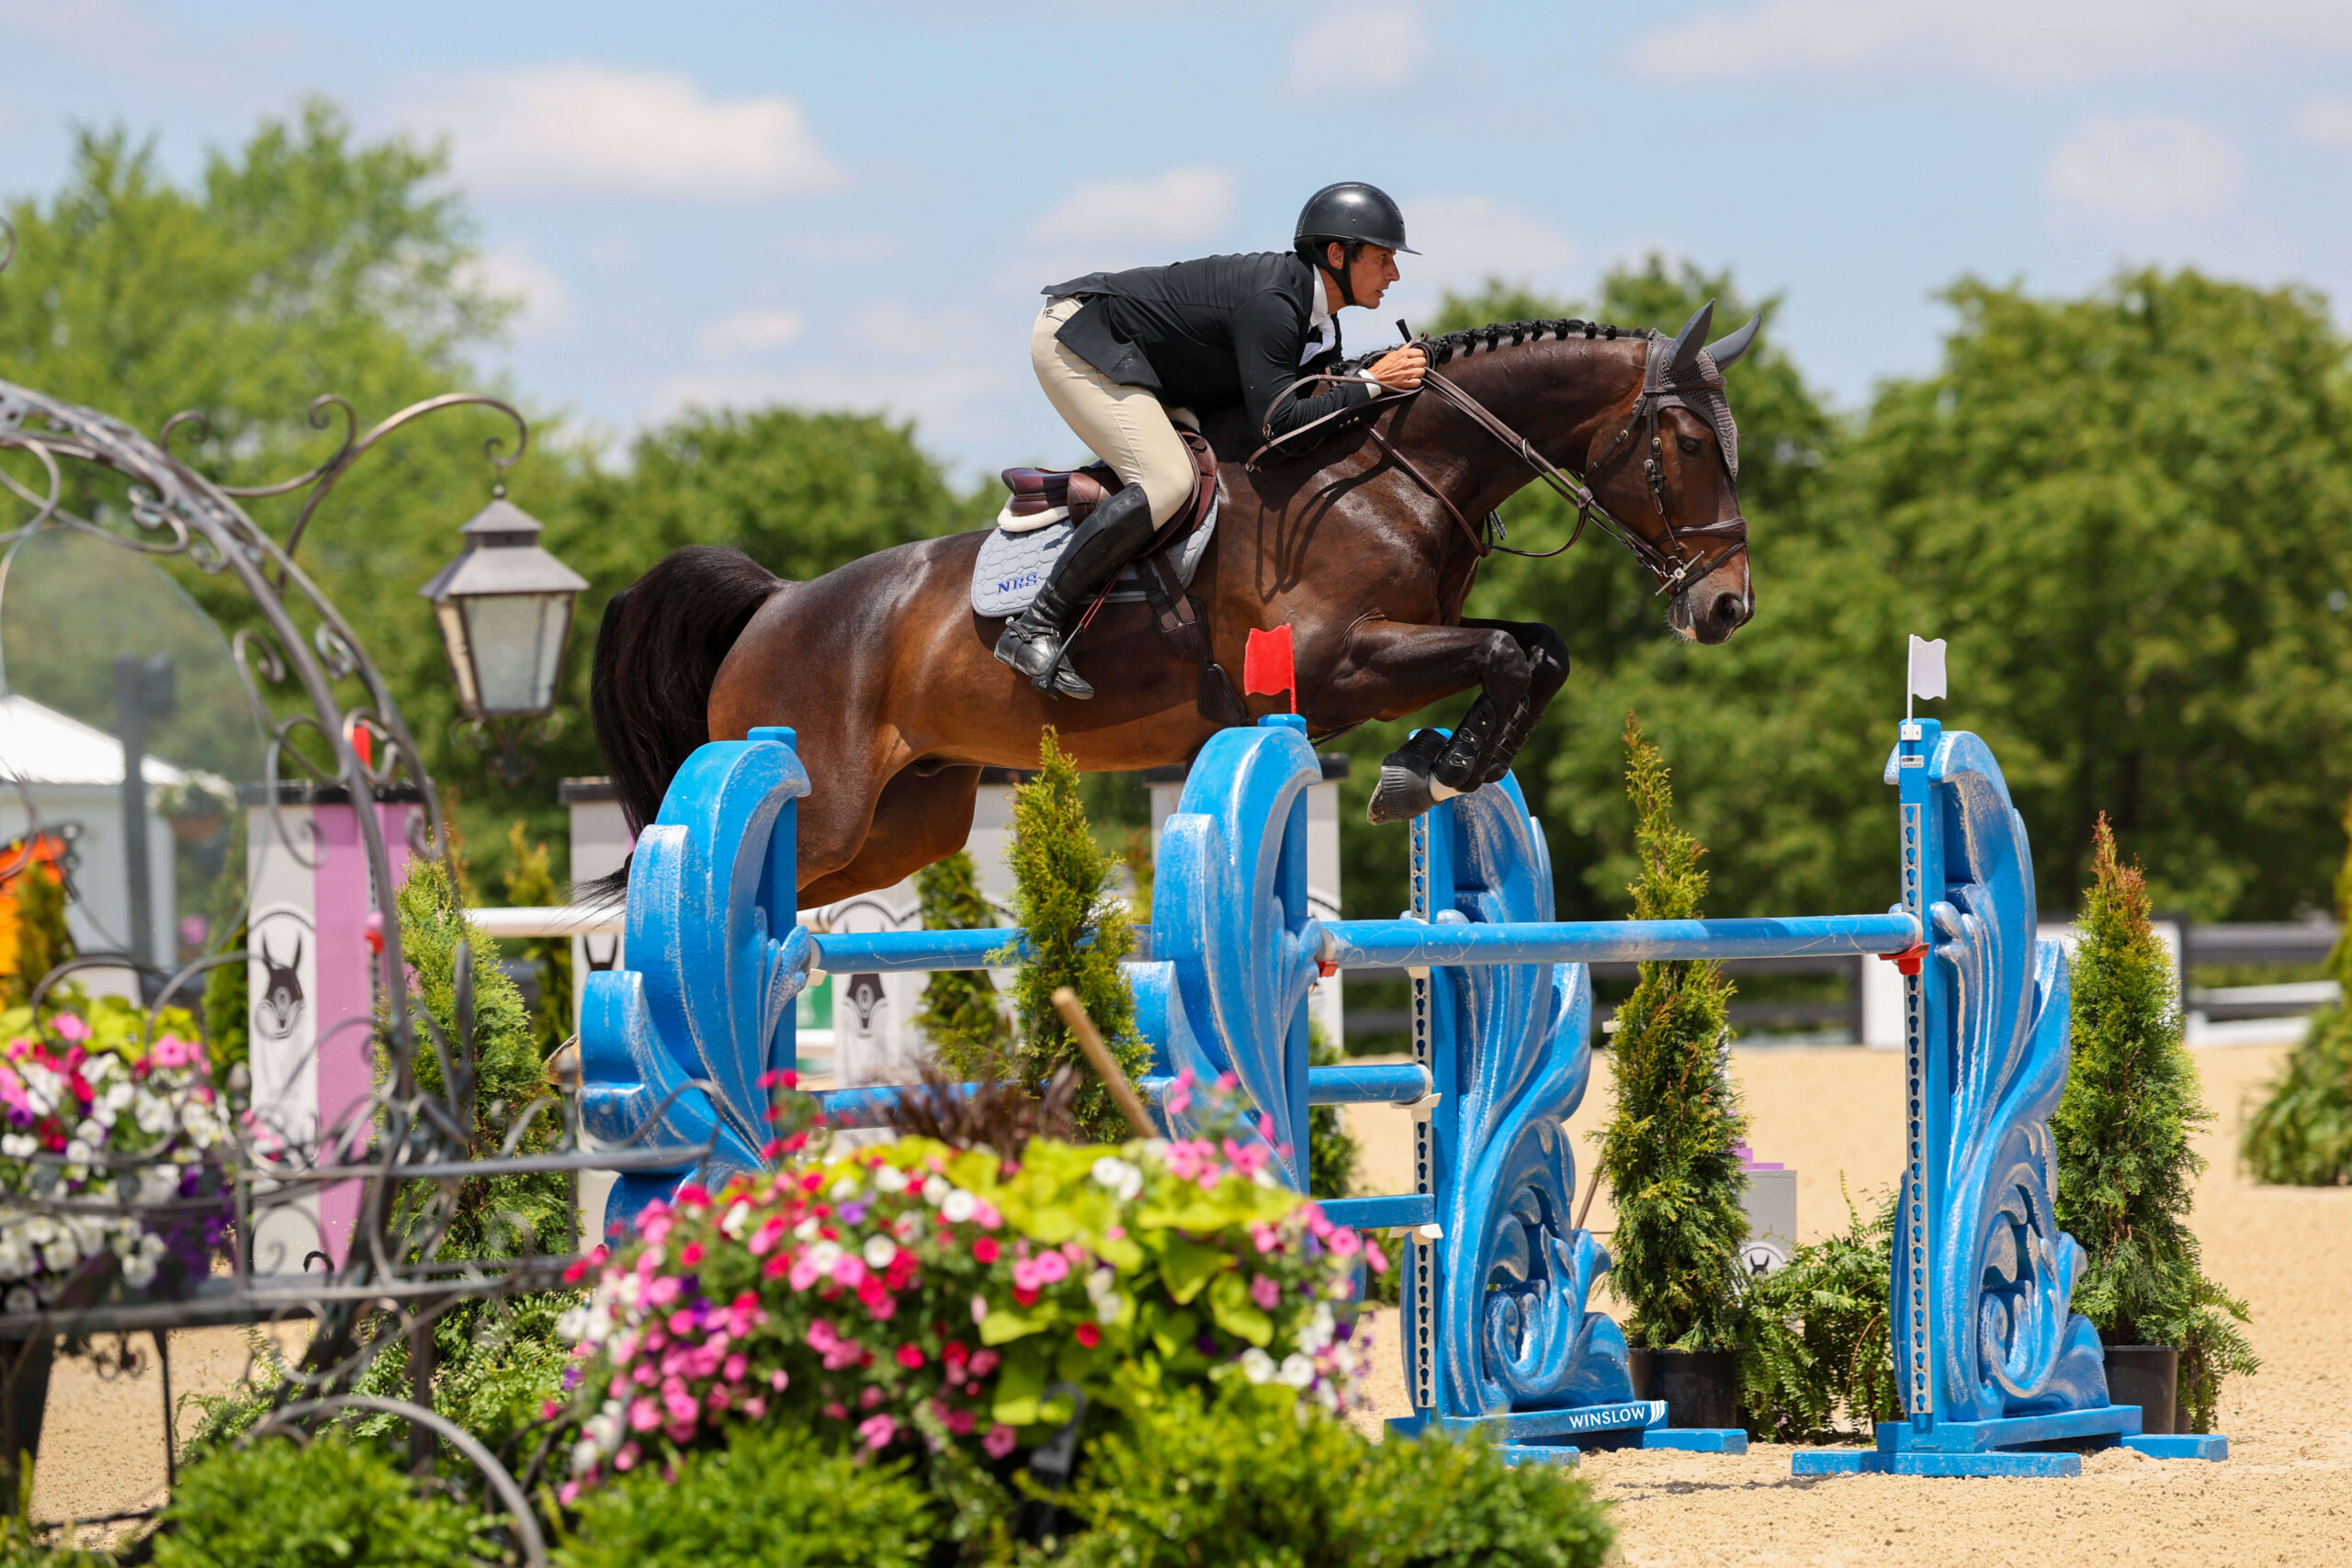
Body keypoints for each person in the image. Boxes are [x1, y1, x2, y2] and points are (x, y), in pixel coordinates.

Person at [996, 181, 1430, 697]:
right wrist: (1375, 382)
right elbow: (1282, 425)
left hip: (1160, 368)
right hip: (1082, 342)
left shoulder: (1320, 322)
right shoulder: (1275, 304)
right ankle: (1035, 625)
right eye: (1382, 258)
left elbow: (1314, 411)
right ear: (1337, 254)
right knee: (1168, 481)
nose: (1394, 273)